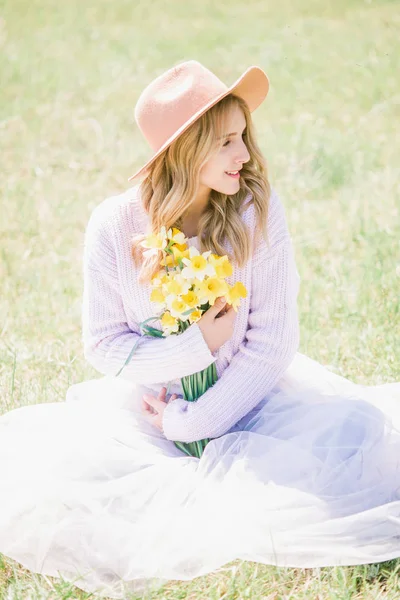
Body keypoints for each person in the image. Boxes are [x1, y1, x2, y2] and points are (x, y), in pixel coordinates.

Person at [0, 60, 399, 599]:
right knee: (66, 487)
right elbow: (104, 343)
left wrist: (195, 420)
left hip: (255, 398)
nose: (244, 155)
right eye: (225, 142)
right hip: (151, 411)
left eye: (243, 138)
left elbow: (272, 340)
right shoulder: (115, 226)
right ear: (184, 150)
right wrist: (192, 350)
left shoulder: (256, 211)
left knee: (355, 440)